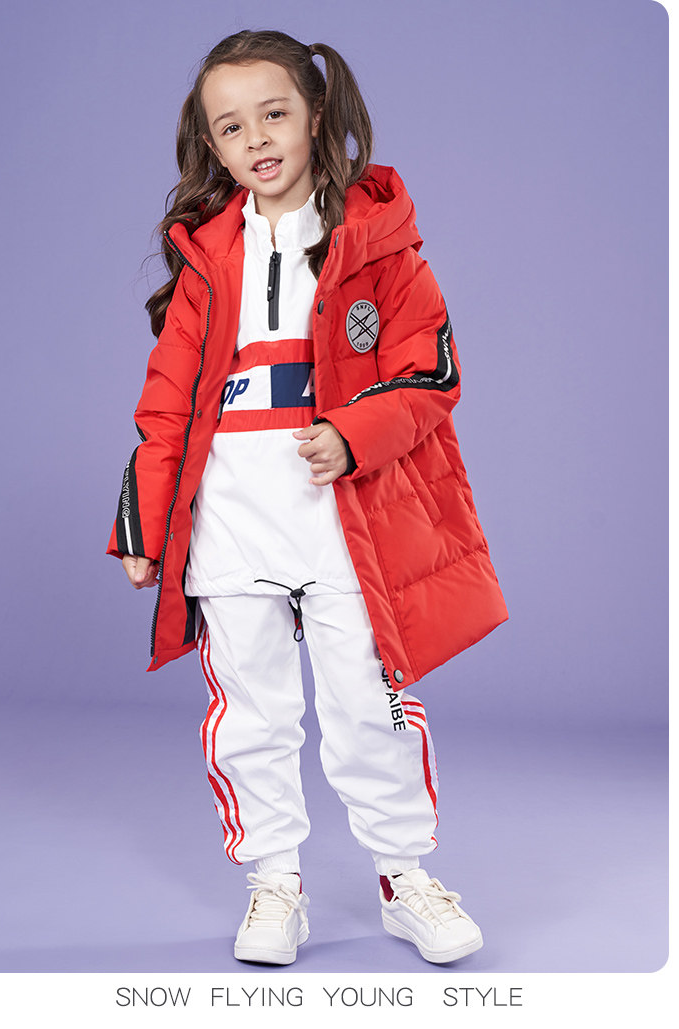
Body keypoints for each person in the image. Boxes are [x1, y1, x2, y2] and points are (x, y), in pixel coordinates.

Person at [108, 28, 507, 966]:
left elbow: (431, 375)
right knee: (252, 712)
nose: (256, 139)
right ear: (212, 145)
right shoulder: (206, 262)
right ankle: (273, 884)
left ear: (316, 115)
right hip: (232, 522)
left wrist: (354, 433)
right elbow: (165, 408)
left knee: (370, 705)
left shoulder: (381, 248)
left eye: (274, 113)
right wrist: (147, 524)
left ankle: (405, 876)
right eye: (230, 127)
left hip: (345, 523)